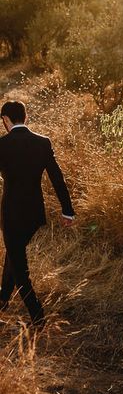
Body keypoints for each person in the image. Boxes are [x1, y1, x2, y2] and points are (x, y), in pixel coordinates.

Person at [0, 100, 74, 329]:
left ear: (5, 120)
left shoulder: (1, 145)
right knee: (13, 255)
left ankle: (38, 318)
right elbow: (57, 179)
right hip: (33, 215)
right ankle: (2, 300)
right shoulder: (43, 142)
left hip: (10, 214)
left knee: (20, 268)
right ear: (25, 117)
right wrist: (68, 211)